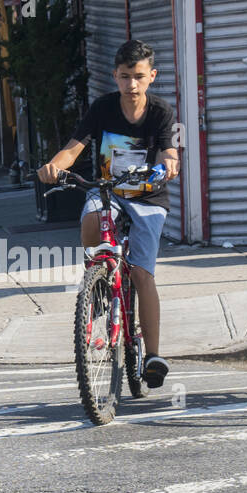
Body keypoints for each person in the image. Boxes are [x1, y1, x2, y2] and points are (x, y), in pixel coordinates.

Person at [36, 39, 179, 388]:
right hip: (109, 193)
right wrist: (54, 166)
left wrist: (169, 166)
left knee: (143, 274)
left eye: (139, 77)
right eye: (125, 76)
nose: (132, 85)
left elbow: (168, 151)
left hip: (148, 198)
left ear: (152, 77)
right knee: (88, 218)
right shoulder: (102, 108)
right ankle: (98, 282)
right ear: (115, 76)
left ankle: (153, 356)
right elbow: (73, 149)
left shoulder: (161, 111)